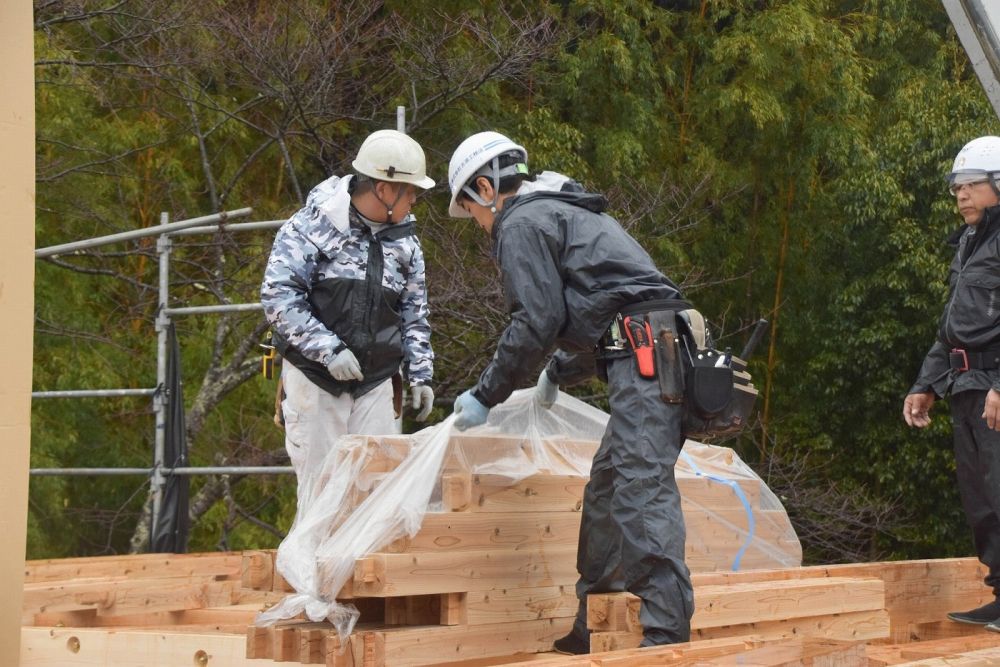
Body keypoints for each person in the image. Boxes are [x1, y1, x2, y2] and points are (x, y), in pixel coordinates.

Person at [447, 131, 694, 653]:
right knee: (608, 488)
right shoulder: (564, 212)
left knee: (638, 488)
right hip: (648, 346)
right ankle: (596, 619)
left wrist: (486, 394)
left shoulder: (521, 223)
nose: (477, 222)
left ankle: (667, 637)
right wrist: (561, 369)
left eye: (471, 210)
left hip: (647, 352)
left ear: (486, 188)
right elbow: (602, 302)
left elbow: (538, 318)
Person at [261, 129, 436, 487]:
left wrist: (420, 374)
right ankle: (312, 548)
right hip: (316, 379)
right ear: (384, 188)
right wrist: (329, 350)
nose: (415, 199)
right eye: (411, 190)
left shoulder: (406, 244)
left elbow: (414, 314)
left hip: (375, 382)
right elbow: (279, 296)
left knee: (375, 495)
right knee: (322, 493)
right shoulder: (312, 226)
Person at [905, 135, 1000, 628]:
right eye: (956, 187)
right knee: (981, 499)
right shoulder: (969, 243)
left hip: (994, 387)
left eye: (971, 184)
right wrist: (925, 384)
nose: (961, 194)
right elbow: (952, 329)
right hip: (965, 385)